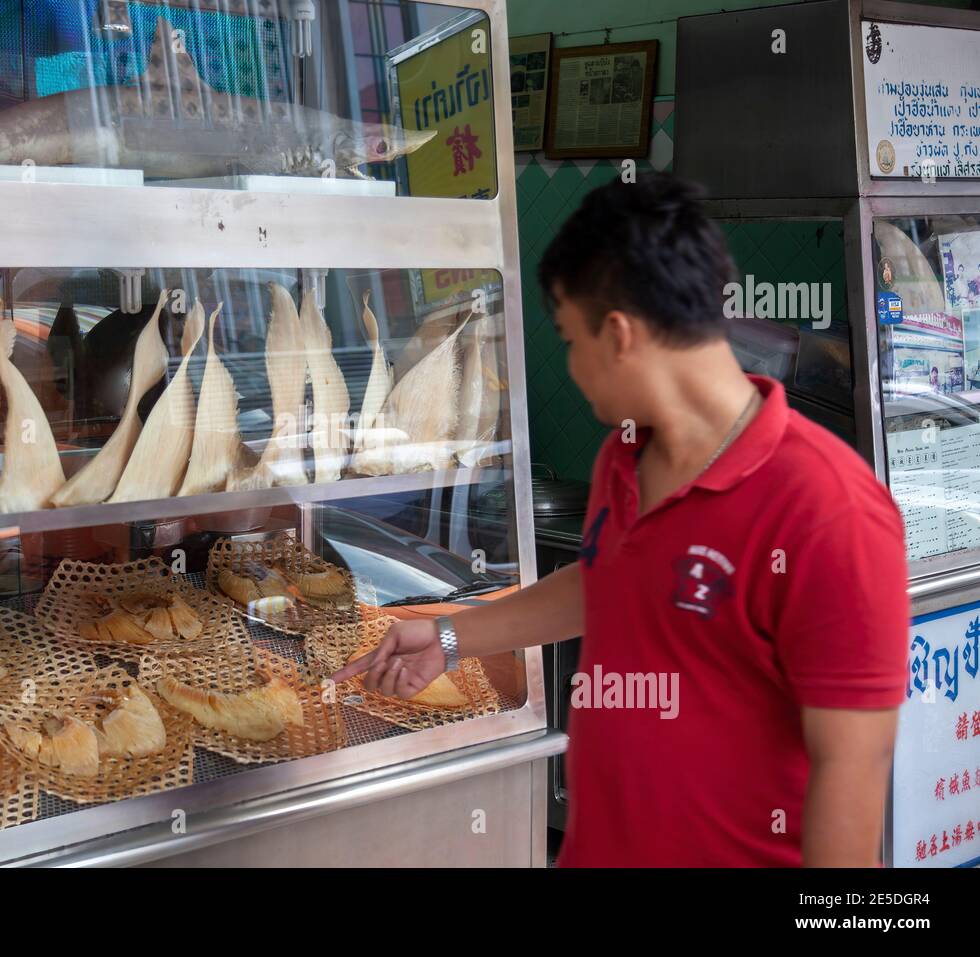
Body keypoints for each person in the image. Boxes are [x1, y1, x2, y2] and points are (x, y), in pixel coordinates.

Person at [332, 173, 910, 867]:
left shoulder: (827, 510)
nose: (572, 368)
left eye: (572, 341)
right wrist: (452, 636)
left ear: (619, 336)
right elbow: (614, 581)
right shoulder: (624, 457)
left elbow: (851, 792)